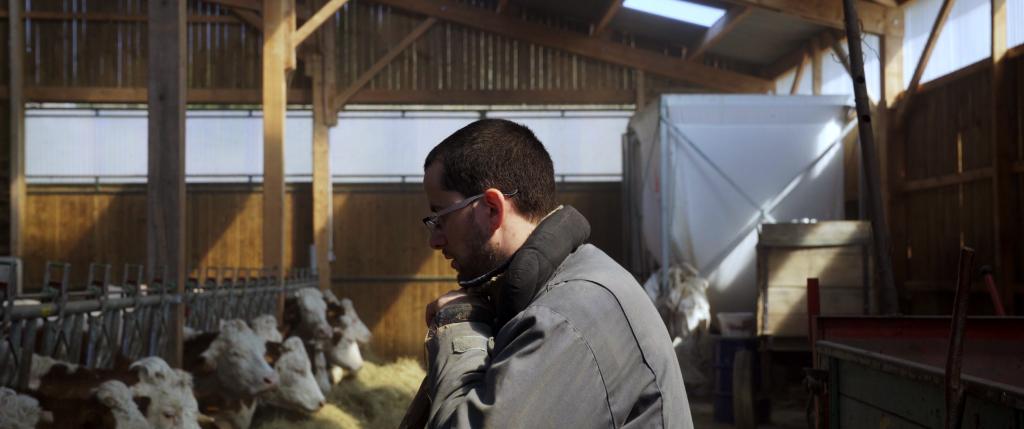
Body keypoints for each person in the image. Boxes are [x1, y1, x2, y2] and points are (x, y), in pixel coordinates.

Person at [405, 119, 692, 428]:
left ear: (491, 209)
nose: (434, 240)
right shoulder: (566, 285)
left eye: (441, 217)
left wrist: (459, 331)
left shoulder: (567, 316)